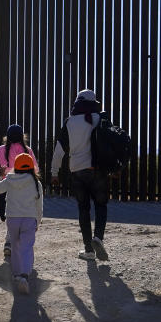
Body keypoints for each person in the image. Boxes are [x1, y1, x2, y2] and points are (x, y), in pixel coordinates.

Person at [50, 89, 110, 261]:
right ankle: (98, 237)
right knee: (101, 206)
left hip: (77, 172)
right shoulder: (101, 119)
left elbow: (59, 150)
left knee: (83, 209)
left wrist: (54, 172)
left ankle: (89, 250)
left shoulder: (70, 122)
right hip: (98, 170)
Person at [0, 152, 43, 294]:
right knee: (26, 247)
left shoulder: (9, 179)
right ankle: (25, 275)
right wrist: (38, 221)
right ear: (32, 167)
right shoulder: (36, 183)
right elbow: (39, 205)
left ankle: (16, 274)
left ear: (16, 167)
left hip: (13, 219)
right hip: (29, 218)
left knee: (15, 246)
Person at [0, 124, 36, 258]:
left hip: (5, 184)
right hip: (24, 187)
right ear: (22, 136)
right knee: (18, 214)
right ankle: (12, 243)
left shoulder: (0, 150)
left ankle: (9, 243)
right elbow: (36, 169)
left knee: (9, 214)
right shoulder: (27, 150)